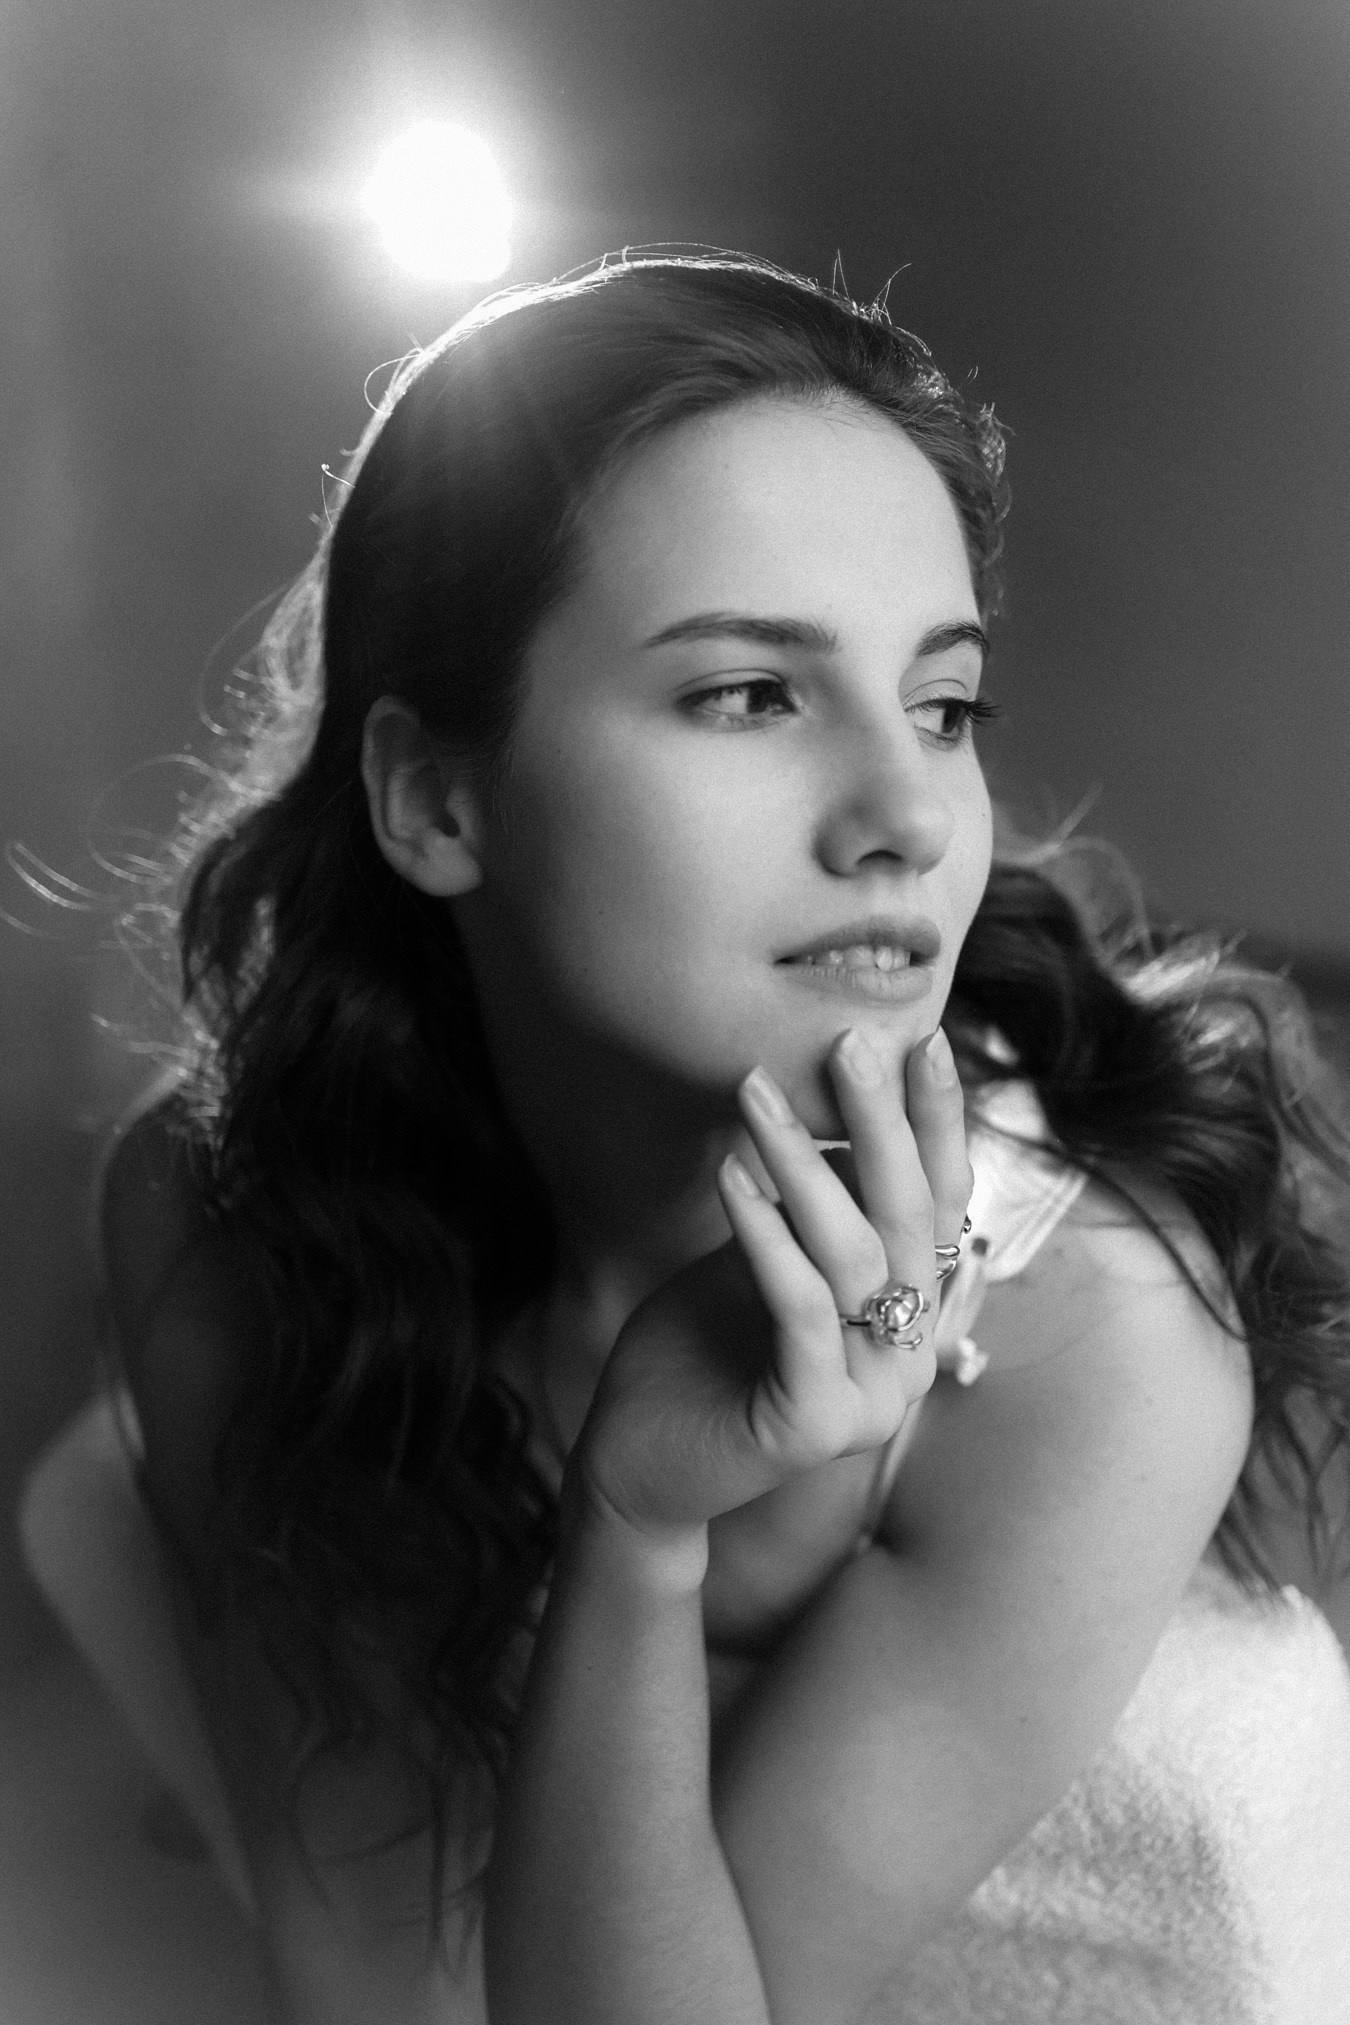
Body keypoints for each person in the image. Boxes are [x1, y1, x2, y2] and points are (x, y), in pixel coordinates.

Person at [94, 251, 1350, 2024]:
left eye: (942, 705)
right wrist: (637, 1524)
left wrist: (634, 1534)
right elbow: (370, 1966)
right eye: (750, 693)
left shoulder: (1094, 1340)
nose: (909, 814)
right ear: (433, 797)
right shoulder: (226, 1211)